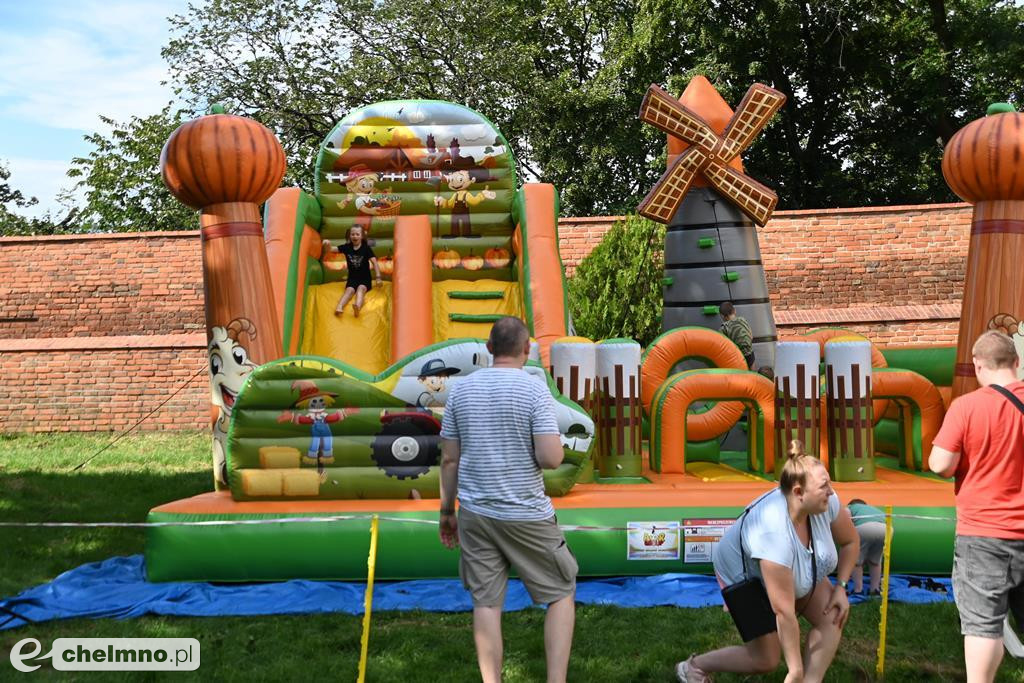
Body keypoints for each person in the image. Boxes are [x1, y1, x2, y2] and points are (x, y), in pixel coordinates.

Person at [438, 316, 576, 683]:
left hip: (475, 513)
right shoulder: (534, 389)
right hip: (526, 513)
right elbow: (550, 458)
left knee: (486, 602)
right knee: (562, 592)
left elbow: (449, 459)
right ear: (527, 350)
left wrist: (445, 512)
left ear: (489, 348)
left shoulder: (460, 391)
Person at [676, 441, 859, 683]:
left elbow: (851, 542)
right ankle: (693, 667)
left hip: (788, 567)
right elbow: (783, 612)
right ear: (798, 493)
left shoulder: (827, 503)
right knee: (765, 660)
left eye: (829, 483)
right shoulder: (774, 535)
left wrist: (841, 588)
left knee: (833, 613)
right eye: (824, 486)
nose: (832, 492)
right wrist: (794, 670)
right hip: (742, 573)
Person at [929, 330, 1024, 683]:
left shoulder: (966, 406)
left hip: (985, 534)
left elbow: (941, 464)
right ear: (1016, 362)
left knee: (984, 626)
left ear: (978, 366)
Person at [322, 225, 381, 317]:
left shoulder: (366, 248)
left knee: (360, 289)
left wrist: (378, 277)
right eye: (352, 234)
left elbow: (374, 262)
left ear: (361, 236)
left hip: (364, 278)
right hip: (352, 278)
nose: (355, 236)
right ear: (350, 236)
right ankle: (339, 307)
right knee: (349, 291)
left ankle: (357, 306)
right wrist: (327, 244)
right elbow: (331, 249)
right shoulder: (347, 247)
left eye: (357, 234)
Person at [847, 498, 887, 596]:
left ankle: (858, 589)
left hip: (865, 528)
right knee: (875, 561)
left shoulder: (850, 507)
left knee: (856, 561)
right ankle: (875, 589)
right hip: (885, 529)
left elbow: (847, 520)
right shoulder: (874, 509)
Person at [719, 301, 755, 369]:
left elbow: (723, 346)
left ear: (722, 316)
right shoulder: (743, 320)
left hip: (737, 357)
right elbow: (751, 336)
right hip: (750, 354)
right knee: (752, 375)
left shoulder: (724, 328)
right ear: (735, 311)